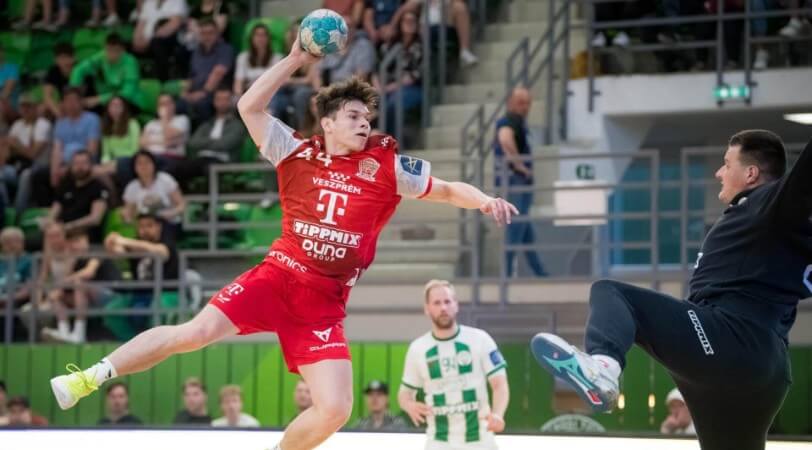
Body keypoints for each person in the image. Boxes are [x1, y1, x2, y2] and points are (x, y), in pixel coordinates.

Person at [50, 33, 517, 450]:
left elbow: (448, 189)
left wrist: (484, 201)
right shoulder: (294, 151)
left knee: (336, 408)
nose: (365, 124)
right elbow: (248, 107)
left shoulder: (385, 166)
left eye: (367, 117)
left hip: (323, 304)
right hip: (277, 278)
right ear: (327, 122)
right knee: (193, 334)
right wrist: (295, 58)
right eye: (354, 116)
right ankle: (91, 377)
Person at [531, 130, 812, 450]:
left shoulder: (771, 204)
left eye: (726, 163)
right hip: (765, 372)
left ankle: (604, 370)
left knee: (613, 294)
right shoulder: (780, 229)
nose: (718, 172)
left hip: (730, 338)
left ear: (751, 173)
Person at [399, 279, 509, 449]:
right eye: (437, 303)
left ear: (456, 305)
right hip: (439, 442)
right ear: (427, 308)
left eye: (447, 301)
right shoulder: (418, 349)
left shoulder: (480, 339)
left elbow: (500, 384)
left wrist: (498, 414)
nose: (443, 308)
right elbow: (404, 394)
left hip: (480, 442)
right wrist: (409, 405)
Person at [494, 87, 545, 278]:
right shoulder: (510, 120)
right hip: (515, 180)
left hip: (518, 181)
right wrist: (520, 166)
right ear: (511, 103)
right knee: (516, 226)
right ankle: (507, 274)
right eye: (521, 103)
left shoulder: (519, 122)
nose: (525, 107)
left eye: (528, 103)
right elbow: (505, 139)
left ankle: (540, 272)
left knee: (525, 229)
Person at [39, 228, 105, 343]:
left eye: (78, 241)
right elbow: (65, 283)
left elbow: (89, 272)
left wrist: (63, 283)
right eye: (72, 242)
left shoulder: (96, 250)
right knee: (57, 296)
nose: (75, 245)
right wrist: (56, 293)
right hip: (88, 298)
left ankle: (79, 334)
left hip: (110, 295)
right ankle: (64, 332)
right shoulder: (76, 259)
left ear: (87, 240)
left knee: (79, 283)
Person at [372, 10, 422, 134]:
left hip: (410, 88)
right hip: (384, 88)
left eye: (413, 21)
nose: (409, 23)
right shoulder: (388, 46)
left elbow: (415, 76)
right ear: (400, 24)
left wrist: (388, 88)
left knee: (393, 103)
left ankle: (389, 139)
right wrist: (379, 88)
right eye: (406, 20)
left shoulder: (420, 47)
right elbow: (376, 70)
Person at [179, 18, 234, 125]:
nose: (207, 36)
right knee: (179, 105)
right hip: (196, 92)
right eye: (203, 33)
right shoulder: (196, 52)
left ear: (217, 33)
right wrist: (185, 92)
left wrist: (203, 93)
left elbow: (218, 73)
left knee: (202, 105)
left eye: (210, 33)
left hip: (214, 92)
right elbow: (191, 75)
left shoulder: (225, 49)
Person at [45, 150, 110, 242]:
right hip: (62, 233)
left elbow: (95, 219)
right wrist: (49, 222)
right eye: (76, 163)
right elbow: (55, 209)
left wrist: (69, 227)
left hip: (85, 234)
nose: (80, 167)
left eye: (84, 163)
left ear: (91, 165)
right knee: (50, 232)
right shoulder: (65, 185)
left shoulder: (99, 188)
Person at [69, 33, 142, 112]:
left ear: (122, 50)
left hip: (129, 102)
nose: (112, 54)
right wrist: (74, 93)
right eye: (109, 50)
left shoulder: (130, 62)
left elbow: (127, 93)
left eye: (116, 51)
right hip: (106, 99)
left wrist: (99, 99)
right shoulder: (102, 56)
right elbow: (79, 70)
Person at [270, 22, 322, 130]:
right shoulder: (287, 56)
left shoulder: (313, 54)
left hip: (307, 89)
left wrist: (290, 81)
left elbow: (309, 80)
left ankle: (302, 129)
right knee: (277, 96)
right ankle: (275, 131)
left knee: (300, 94)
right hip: (290, 89)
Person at [121, 151, 186, 231]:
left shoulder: (165, 180)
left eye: (147, 162)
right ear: (134, 167)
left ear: (154, 164)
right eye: (139, 163)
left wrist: (171, 213)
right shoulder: (132, 187)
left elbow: (182, 205)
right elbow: (128, 211)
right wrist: (127, 217)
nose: (144, 166)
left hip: (168, 223)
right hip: (144, 226)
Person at [233, 23, 282, 96]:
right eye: (257, 35)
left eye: (263, 35)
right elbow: (238, 83)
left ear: (269, 38)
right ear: (252, 38)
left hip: (271, 94)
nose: (260, 38)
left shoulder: (277, 58)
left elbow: (278, 82)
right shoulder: (243, 57)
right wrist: (239, 97)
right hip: (249, 93)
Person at [0, 227, 33, 310]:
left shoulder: (29, 261)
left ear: (22, 243)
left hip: (18, 300)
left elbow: (29, 287)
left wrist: (9, 298)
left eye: (14, 241)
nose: (11, 245)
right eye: (7, 242)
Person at [43, 43, 75, 118]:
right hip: (63, 102)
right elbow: (47, 96)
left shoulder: (79, 70)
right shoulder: (53, 71)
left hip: (82, 100)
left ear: (73, 58)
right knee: (43, 107)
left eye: (66, 58)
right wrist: (57, 112)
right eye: (60, 58)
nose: (64, 61)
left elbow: (76, 97)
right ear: (55, 60)